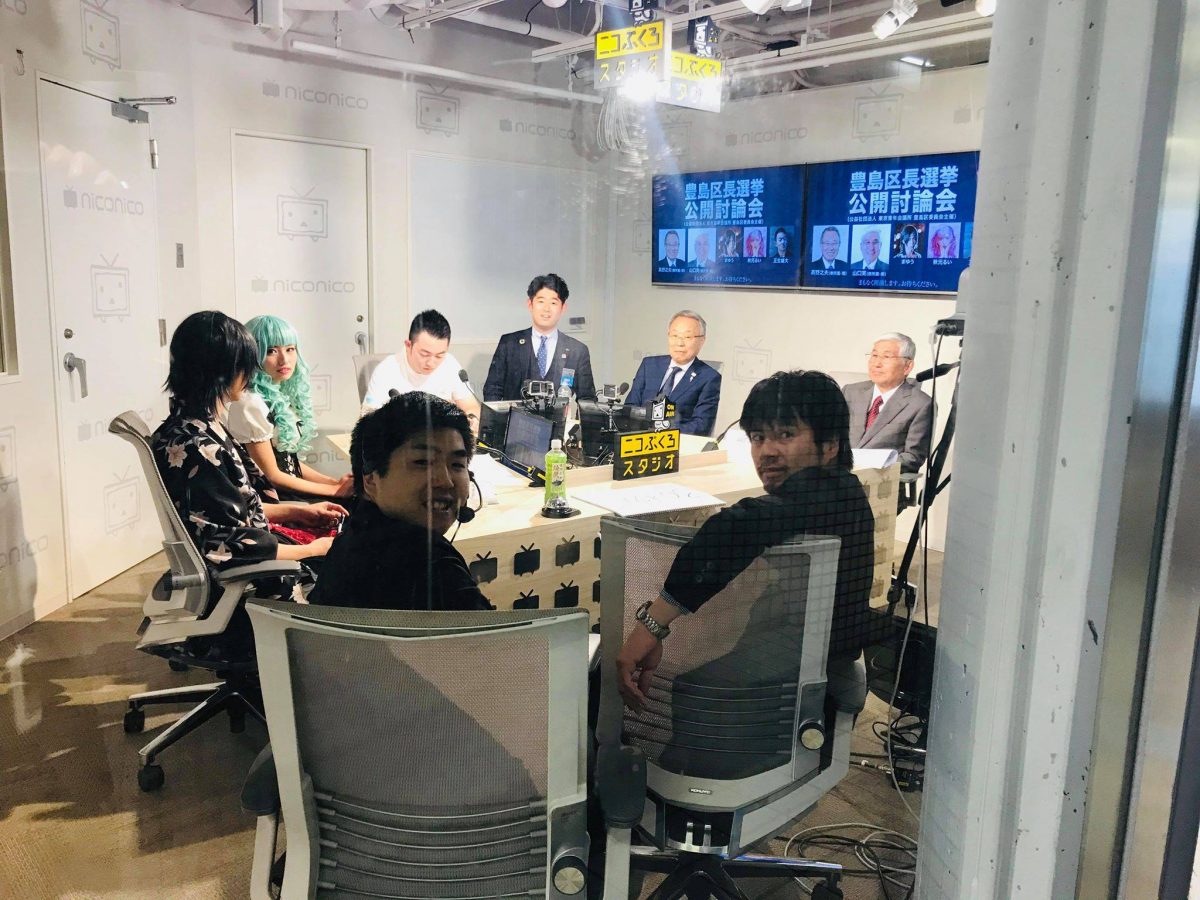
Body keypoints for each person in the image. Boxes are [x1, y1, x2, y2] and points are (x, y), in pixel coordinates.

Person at [615, 370, 875, 710]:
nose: (766, 451)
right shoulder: (845, 491)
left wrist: (650, 627)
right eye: (757, 437)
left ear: (829, 446)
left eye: (785, 434)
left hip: (799, 675)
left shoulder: (821, 498)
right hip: (813, 661)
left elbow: (733, 528)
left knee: (686, 688)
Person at [151, 311, 345, 570]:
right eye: (245, 364)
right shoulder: (197, 446)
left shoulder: (197, 427)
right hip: (261, 564)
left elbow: (234, 511)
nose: (251, 374)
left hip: (263, 540)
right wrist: (313, 549)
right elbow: (229, 544)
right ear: (221, 371)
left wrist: (298, 512)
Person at [309, 392, 494, 611]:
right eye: (422, 462)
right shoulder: (434, 566)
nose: (445, 481)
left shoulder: (353, 534)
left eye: (457, 465)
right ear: (371, 480)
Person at [226, 315, 353, 501]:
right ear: (252, 355)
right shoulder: (250, 404)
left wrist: (334, 483)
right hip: (273, 500)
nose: (284, 360)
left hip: (288, 491)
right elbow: (271, 476)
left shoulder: (276, 395)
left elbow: (289, 464)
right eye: (271, 351)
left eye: (290, 349)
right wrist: (334, 491)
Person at [483, 273, 598, 402]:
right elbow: (492, 390)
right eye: (541, 301)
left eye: (553, 303)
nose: (546, 309)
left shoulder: (577, 350)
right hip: (515, 415)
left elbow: (587, 398)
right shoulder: (509, 344)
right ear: (530, 304)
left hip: (558, 416)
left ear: (563, 308)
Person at [361, 310, 482, 429]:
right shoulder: (387, 370)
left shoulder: (449, 363)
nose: (431, 363)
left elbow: (471, 407)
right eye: (424, 354)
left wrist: (472, 419)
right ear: (408, 346)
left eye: (439, 356)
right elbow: (367, 420)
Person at [843, 332, 934, 473]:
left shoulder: (921, 404)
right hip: (838, 478)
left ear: (907, 367)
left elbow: (912, 458)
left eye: (886, 357)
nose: (877, 364)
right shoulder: (850, 392)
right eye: (874, 355)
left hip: (881, 480)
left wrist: (867, 465)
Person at [624, 311, 722, 436]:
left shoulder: (709, 378)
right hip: (637, 439)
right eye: (675, 336)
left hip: (677, 443)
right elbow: (630, 408)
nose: (679, 343)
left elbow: (701, 426)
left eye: (687, 337)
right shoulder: (649, 365)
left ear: (701, 341)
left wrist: (660, 430)